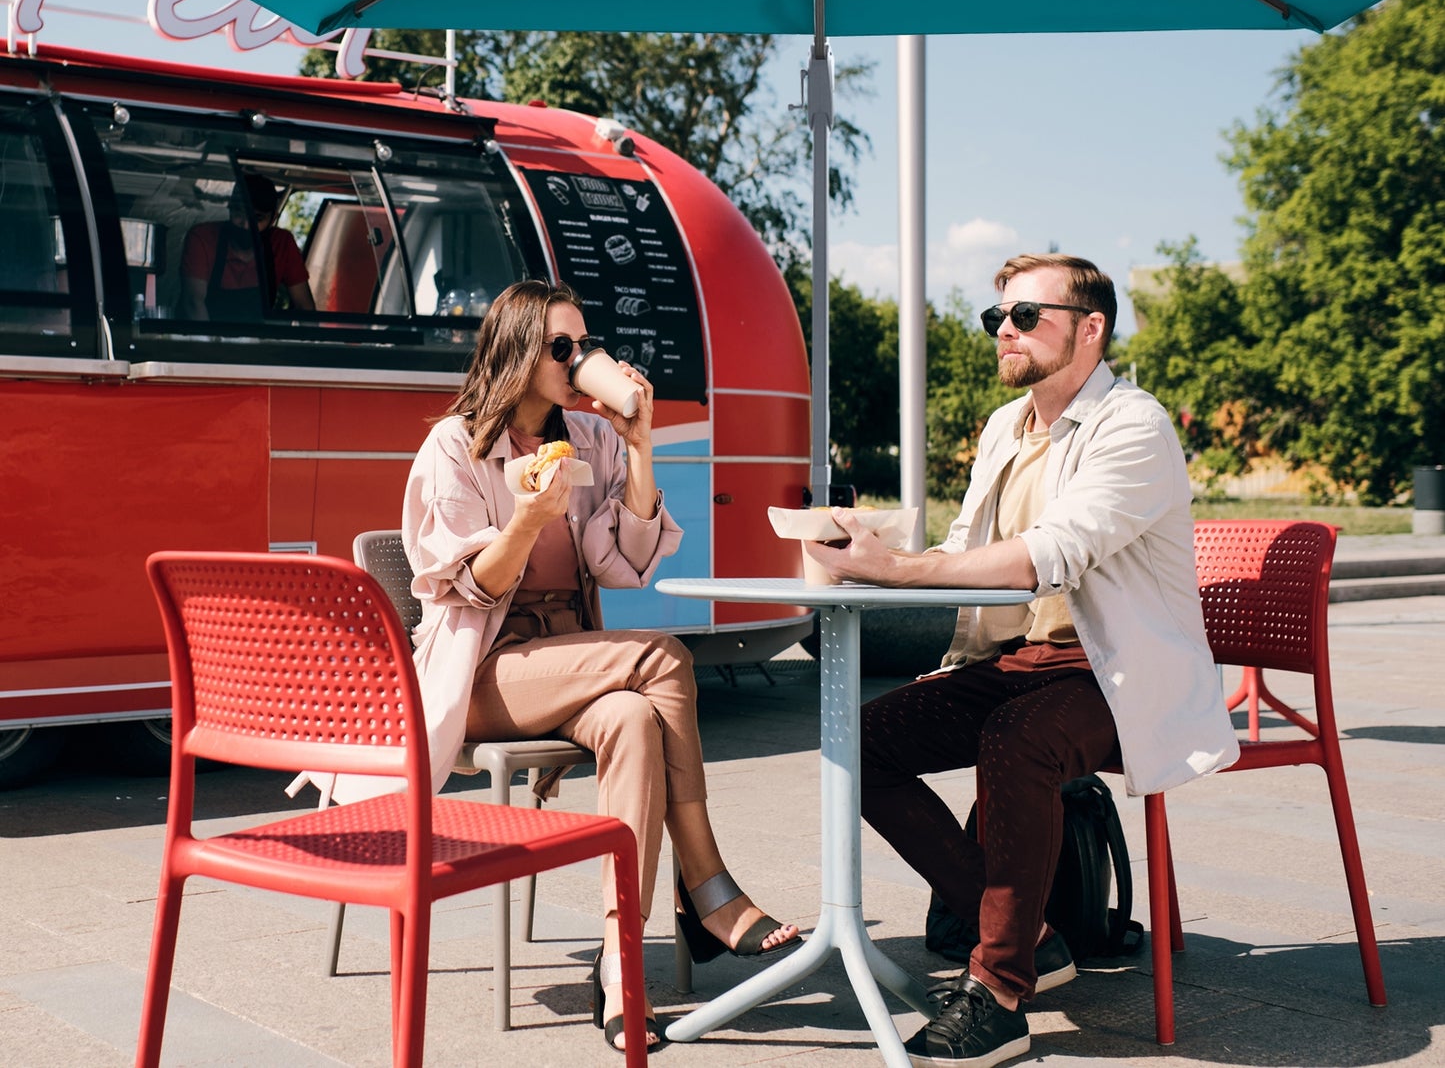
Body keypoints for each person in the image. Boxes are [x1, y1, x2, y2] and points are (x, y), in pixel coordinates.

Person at [805, 253, 1238, 1068]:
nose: (1004, 328)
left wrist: (898, 570)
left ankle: (999, 993)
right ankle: (1030, 935)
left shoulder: (1132, 424)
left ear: (1090, 328)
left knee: (1016, 738)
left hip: (1111, 669)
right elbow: (971, 550)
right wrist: (872, 551)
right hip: (1016, 658)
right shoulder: (1007, 426)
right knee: (860, 741)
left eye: (1026, 315)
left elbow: (1051, 553)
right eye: (996, 316)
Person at [402, 279, 799, 1052]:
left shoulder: (590, 438)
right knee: (662, 655)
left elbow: (631, 568)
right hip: (481, 664)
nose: (577, 359)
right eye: (560, 347)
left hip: (572, 656)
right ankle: (707, 883)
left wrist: (643, 442)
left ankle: (621, 970)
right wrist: (525, 520)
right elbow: (470, 584)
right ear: (516, 350)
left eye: (583, 345)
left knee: (633, 716)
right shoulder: (457, 444)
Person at [180, 172, 314, 320]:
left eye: (257, 218)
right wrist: (209, 342)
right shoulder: (203, 237)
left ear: (273, 218)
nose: (246, 225)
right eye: (239, 214)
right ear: (230, 209)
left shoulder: (282, 243)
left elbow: (305, 307)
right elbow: (193, 302)